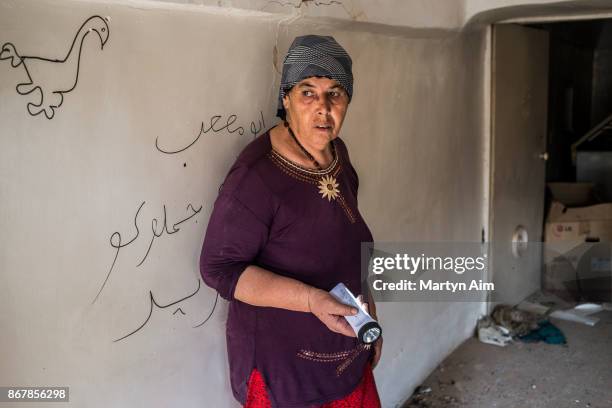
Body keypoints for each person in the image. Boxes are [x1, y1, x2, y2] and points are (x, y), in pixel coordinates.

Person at [200, 34, 382, 408]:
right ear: (286, 98)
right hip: (283, 368)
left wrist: (368, 319)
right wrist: (311, 300)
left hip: (344, 346)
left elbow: (346, 243)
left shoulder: (338, 155)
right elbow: (218, 269)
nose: (323, 108)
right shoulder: (257, 178)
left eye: (336, 93)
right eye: (308, 92)